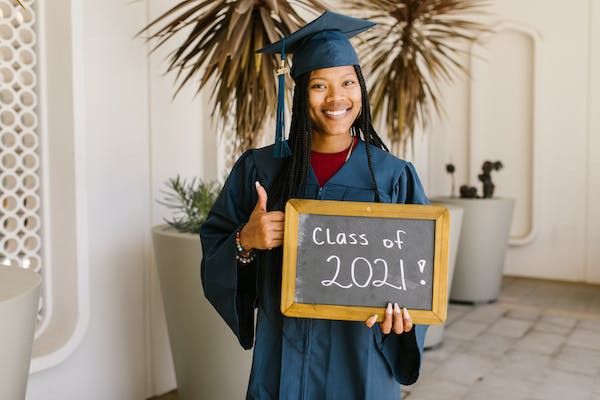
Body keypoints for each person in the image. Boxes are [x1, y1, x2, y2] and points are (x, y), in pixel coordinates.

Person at [200, 11, 429, 400]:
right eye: (320, 85)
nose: (337, 98)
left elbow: (419, 274)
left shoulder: (393, 176)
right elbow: (217, 250)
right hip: (283, 361)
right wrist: (245, 241)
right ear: (300, 92)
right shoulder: (260, 169)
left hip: (360, 360)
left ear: (361, 89)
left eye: (348, 82)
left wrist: (406, 320)